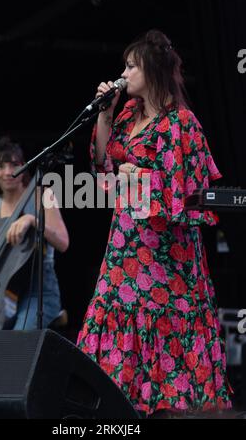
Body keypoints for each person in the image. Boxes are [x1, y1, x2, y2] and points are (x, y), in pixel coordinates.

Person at [77, 29, 233, 417]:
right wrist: (104, 113)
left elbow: (191, 195)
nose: (124, 73)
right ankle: (113, 408)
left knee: (168, 325)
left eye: (131, 66)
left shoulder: (183, 124)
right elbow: (101, 164)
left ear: (152, 70)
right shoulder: (127, 114)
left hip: (166, 254)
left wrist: (141, 179)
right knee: (109, 311)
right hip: (125, 243)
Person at [0, 137, 69, 330]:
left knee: (17, 343)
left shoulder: (42, 195)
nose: (7, 172)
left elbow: (63, 242)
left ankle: (52, 313)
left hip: (39, 291)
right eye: (0, 167)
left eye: (14, 165)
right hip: (3, 292)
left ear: (24, 167)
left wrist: (33, 220)